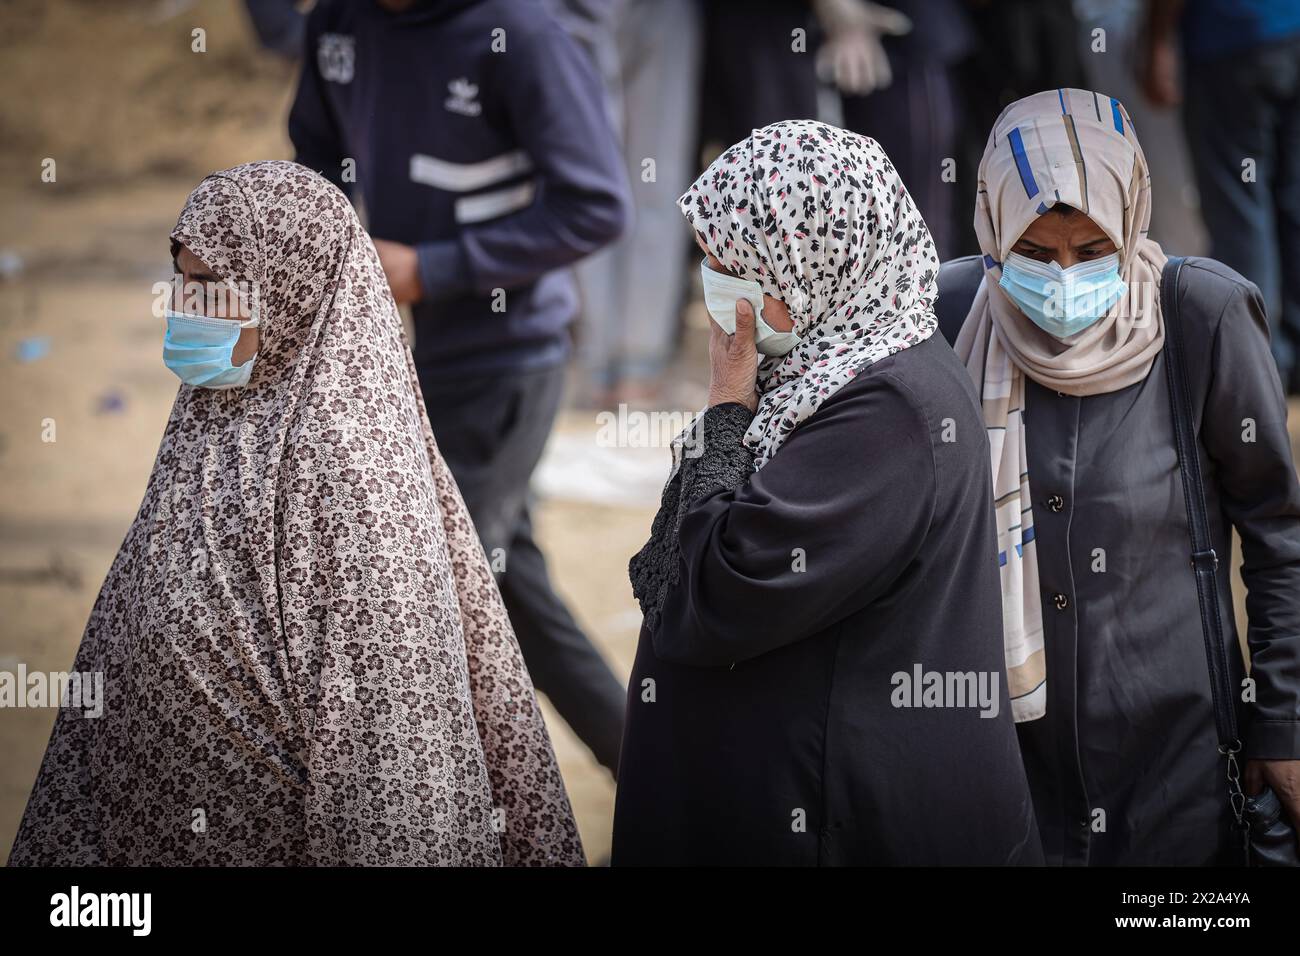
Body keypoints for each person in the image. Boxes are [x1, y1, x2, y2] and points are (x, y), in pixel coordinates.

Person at [7, 161, 584, 866]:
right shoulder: (216, 408)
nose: (186, 305)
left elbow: (391, 762)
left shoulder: (353, 473)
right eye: (182, 280)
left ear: (291, 290)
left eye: (211, 286)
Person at [613, 120, 1043, 866]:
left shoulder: (888, 417)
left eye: (736, 268)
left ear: (814, 266)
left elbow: (711, 591)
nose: (717, 290)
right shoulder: (838, 369)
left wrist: (724, 407)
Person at [935, 89, 1300, 865]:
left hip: (1176, 759)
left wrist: (1283, 724)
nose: (1064, 278)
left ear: (1131, 220)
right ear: (995, 228)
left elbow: (1280, 534)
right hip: (996, 755)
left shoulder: (1202, 314)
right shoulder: (951, 311)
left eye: (1092, 250)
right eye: (1034, 252)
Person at [288, 0, 631, 774]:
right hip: (396, 360)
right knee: (504, 585)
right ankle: (657, 780)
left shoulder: (524, 34)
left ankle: (427, 820)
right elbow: (314, 161)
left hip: (508, 357)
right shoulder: (338, 22)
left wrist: (431, 269)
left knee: (422, 597)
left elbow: (597, 204)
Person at [1140, 0, 1300, 393]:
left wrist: (1157, 39)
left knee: (1241, 215)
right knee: (1289, 205)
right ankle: (1275, 362)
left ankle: (1259, 371)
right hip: (1284, 35)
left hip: (1230, 42)